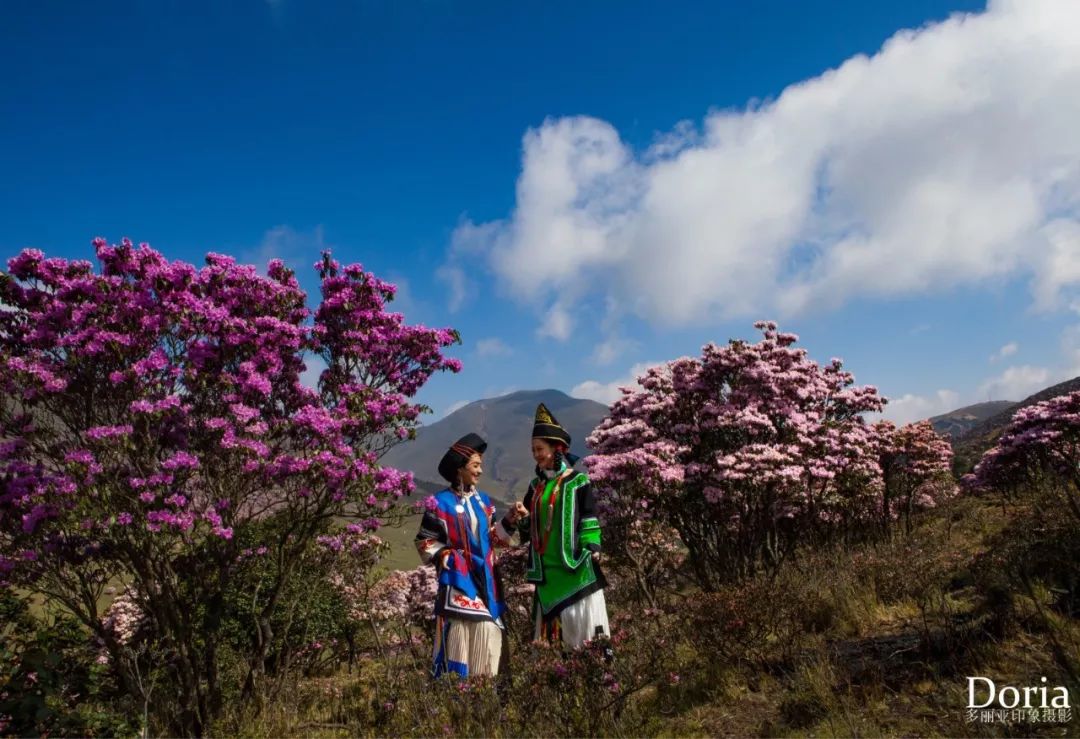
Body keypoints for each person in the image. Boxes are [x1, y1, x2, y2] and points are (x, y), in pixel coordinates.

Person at [507, 403, 610, 649]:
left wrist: (591, 545)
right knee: (553, 640)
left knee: (585, 636)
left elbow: (588, 516)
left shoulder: (578, 481)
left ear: (557, 449)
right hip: (547, 573)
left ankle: (594, 675)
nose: (536, 454)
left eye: (540, 449)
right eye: (533, 450)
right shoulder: (535, 486)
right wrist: (523, 517)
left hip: (574, 567)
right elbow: (529, 531)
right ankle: (560, 680)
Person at [415, 433, 517, 678]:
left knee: (489, 631)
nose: (480, 471)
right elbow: (424, 540)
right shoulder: (439, 503)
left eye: (481, 465)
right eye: (475, 465)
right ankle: (459, 692)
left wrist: (511, 519)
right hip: (459, 581)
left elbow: (492, 538)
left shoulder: (484, 502)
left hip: (487, 579)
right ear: (460, 469)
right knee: (464, 632)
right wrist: (447, 556)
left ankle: (487, 693)